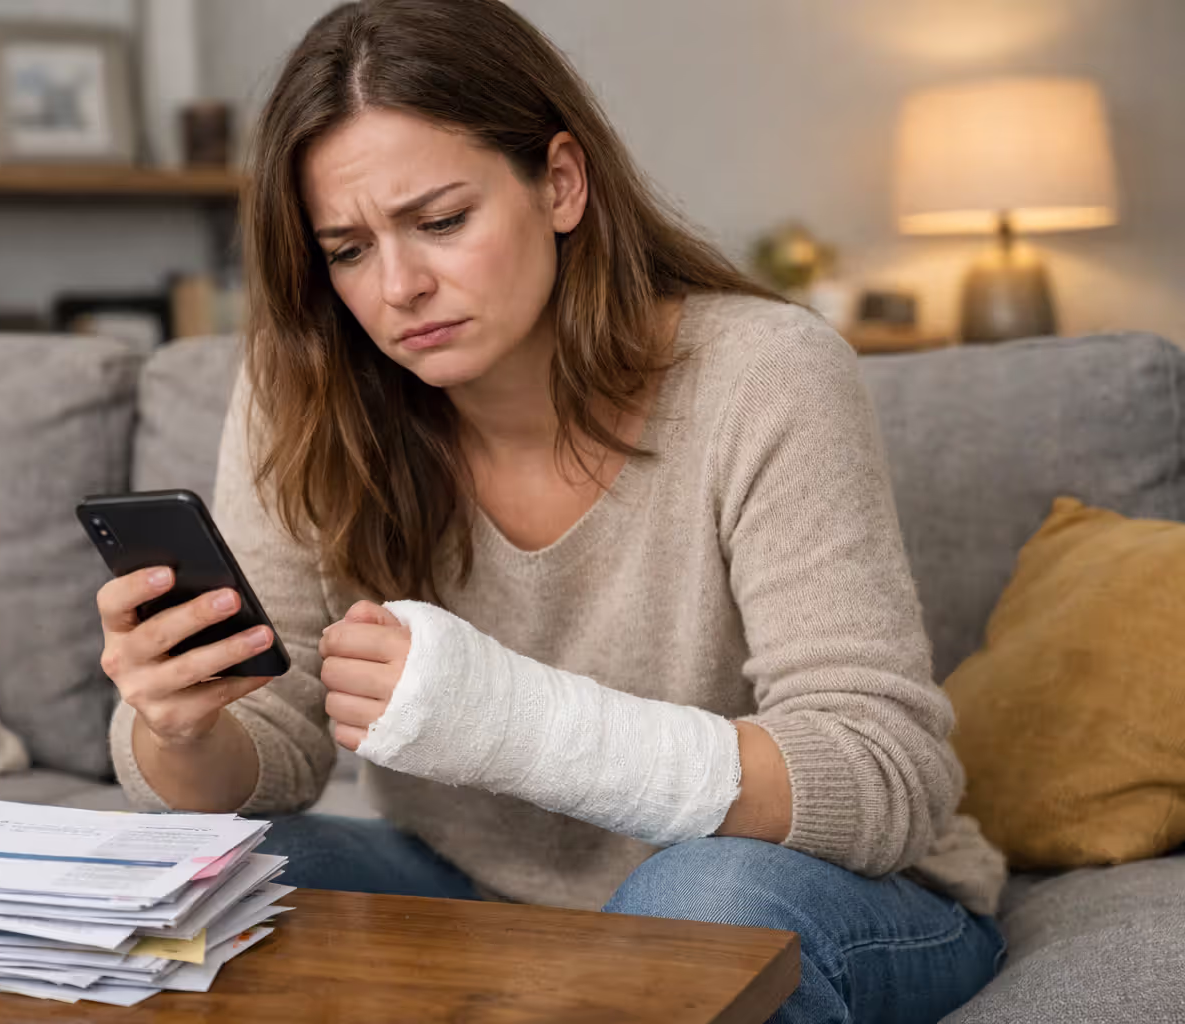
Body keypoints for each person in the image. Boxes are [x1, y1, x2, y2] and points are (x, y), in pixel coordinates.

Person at [96, 1, 1007, 1020]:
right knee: (208, 883)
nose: (399, 286)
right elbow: (281, 746)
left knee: (695, 905)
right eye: (347, 249)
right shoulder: (305, 389)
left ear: (560, 184)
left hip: (802, 890)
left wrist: (510, 721)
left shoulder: (764, 373)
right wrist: (181, 728)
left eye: (441, 221)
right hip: (473, 889)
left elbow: (884, 775)